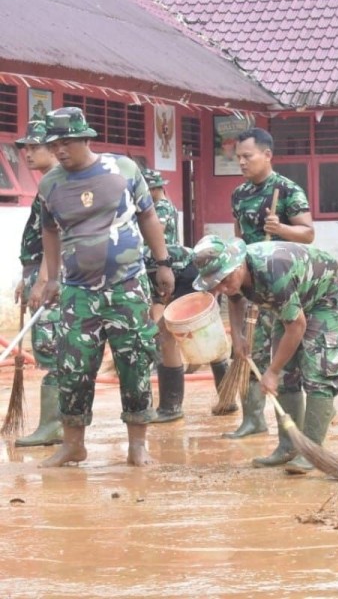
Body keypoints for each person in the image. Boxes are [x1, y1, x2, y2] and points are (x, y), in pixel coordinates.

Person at [37, 106, 174, 467]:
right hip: (78, 291)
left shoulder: (124, 169)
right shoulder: (50, 183)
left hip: (127, 286)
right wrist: (51, 278)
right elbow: (49, 230)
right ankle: (73, 443)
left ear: (85, 139)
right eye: (54, 145)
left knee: (135, 361)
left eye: (66, 142)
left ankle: (137, 444)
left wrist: (162, 263)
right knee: (74, 365)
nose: (60, 150)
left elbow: (148, 215)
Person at [190, 234, 338, 473]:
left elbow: (297, 326)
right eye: (216, 284)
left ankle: (312, 452)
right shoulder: (231, 276)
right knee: (286, 375)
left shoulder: (274, 273)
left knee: (319, 372)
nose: (222, 287)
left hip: (323, 296)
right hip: (290, 302)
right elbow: (234, 300)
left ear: (239, 264)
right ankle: (289, 447)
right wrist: (238, 336)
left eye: (224, 279)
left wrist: (271, 371)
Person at [228, 127, 317, 475]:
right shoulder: (238, 195)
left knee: (289, 364)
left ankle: (301, 443)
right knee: (259, 357)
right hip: (253, 285)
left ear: (267, 155)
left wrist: (281, 230)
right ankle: (280, 439)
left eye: (247, 156)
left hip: (284, 283)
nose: (241, 162)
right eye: (238, 157)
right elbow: (237, 242)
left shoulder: (286, 190)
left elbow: (308, 233)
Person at [139, 169, 229, 423]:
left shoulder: (161, 209)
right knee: (165, 335)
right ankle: (170, 406)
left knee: (205, 333)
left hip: (183, 274)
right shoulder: (136, 212)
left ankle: (228, 396)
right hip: (157, 275)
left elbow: (156, 233)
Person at [12, 119, 63, 447]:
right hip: (37, 273)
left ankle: (53, 426)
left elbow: (55, 237)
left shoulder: (58, 185)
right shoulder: (48, 184)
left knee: (52, 351)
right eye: (25, 148)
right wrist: (27, 275)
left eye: (35, 147)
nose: (27, 153)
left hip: (50, 280)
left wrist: (43, 280)